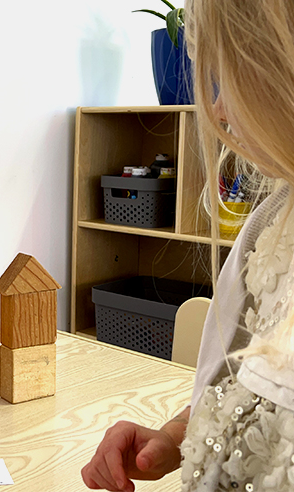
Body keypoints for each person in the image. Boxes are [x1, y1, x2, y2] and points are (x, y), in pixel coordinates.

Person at [81, 0, 294, 491]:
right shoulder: (270, 223)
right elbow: (242, 387)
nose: (217, 111)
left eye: (229, 77)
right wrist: (179, 434)